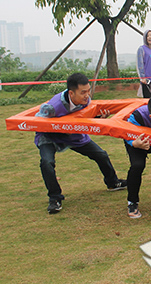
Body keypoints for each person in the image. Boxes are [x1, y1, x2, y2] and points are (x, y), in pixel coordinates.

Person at [34, 73, 126, 214]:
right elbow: (37, 124)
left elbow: (86, 118)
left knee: (101, 155)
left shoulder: (86, 101)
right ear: (71, 93)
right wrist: (62, 130)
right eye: (83, 92)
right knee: (47, 162)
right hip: (50, 136)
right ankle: (55, 198)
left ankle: (113, 182)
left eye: (88, 91)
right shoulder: (52, 107)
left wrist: (99, 118)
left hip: (74, 136)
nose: (87, 95)